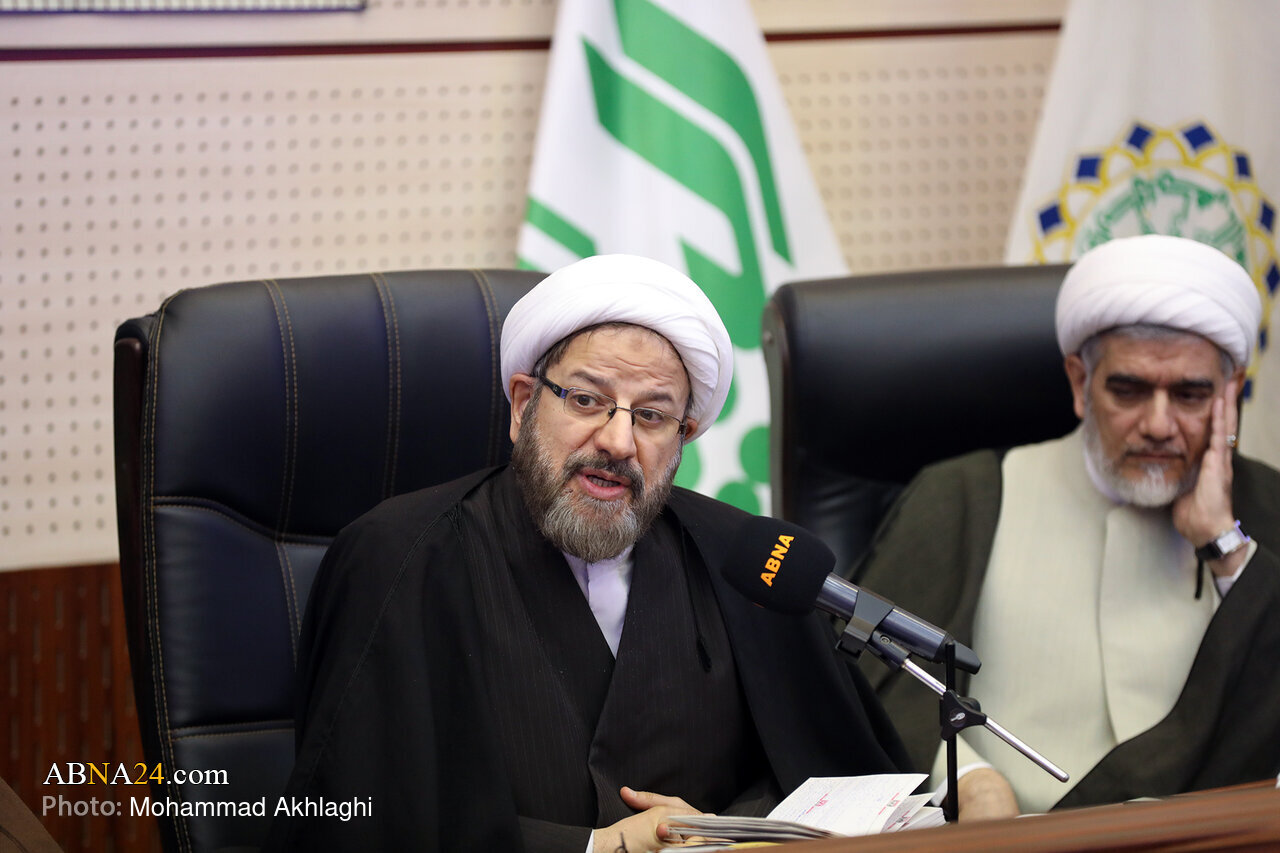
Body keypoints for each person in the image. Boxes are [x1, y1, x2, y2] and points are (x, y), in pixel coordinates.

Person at [265, 254, 907, 853]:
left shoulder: (742, 561)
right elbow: (358, 818)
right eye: (587, 400)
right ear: (523, 405)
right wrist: (597, 846)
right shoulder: (398, 558)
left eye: (652, 416)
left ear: (682, 438)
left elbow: (836, 777)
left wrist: (730, 834)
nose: (619, 441)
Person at [853, 234, 1280, 819]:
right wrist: (969, 782)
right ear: (1080, 383)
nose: (1159, 424)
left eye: (1190, 394)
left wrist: (1225, 546)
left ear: (1230, 393)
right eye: (1129, 390)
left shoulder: (1267, 509)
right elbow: (873, 687)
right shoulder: (966, 496)